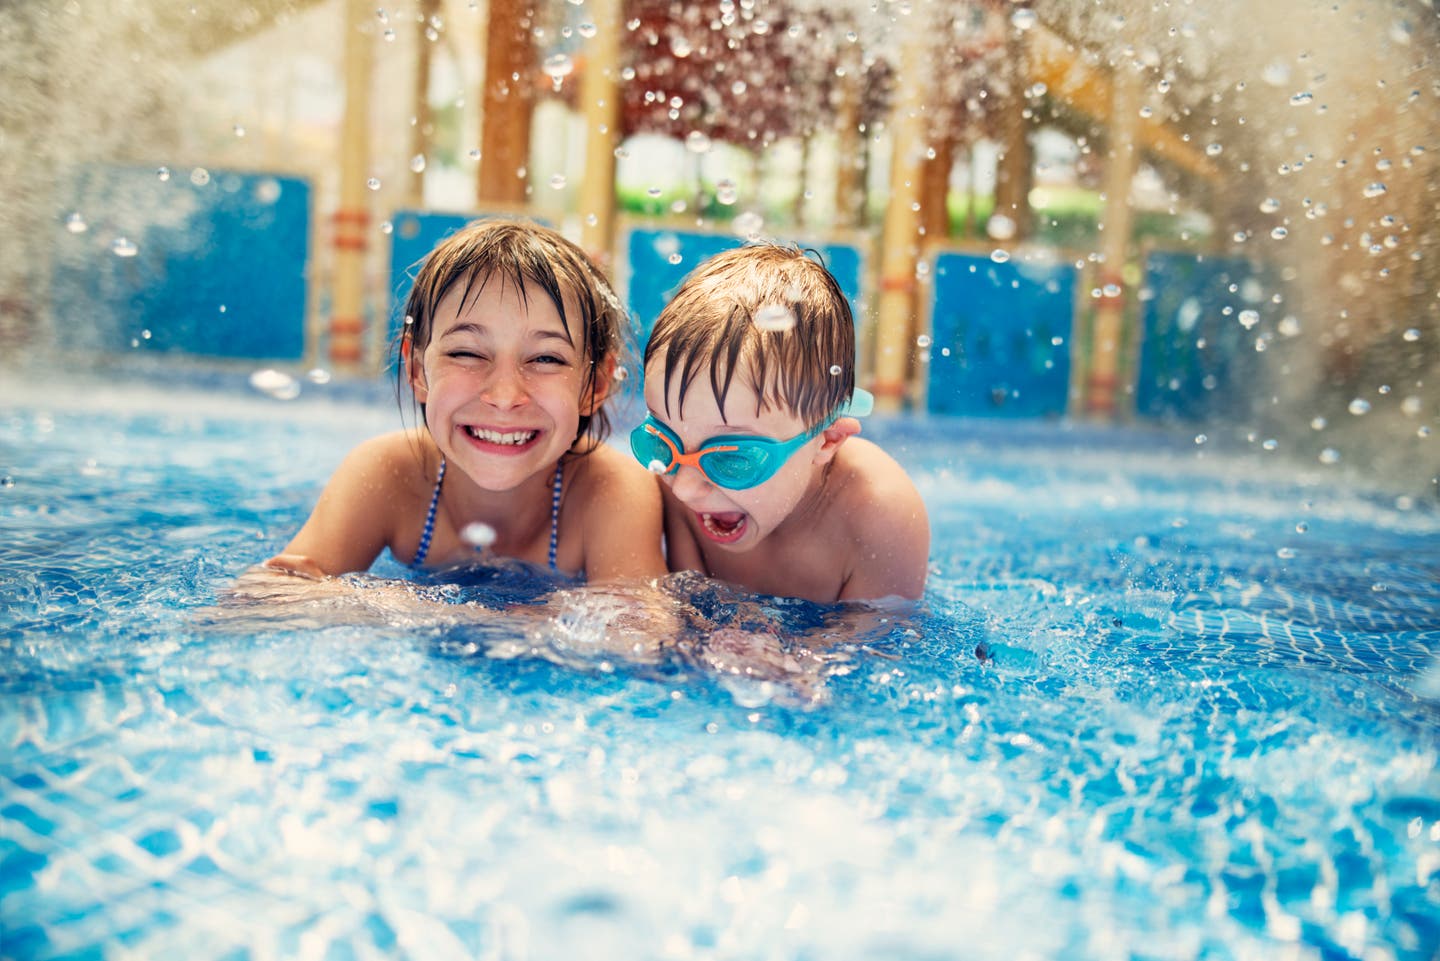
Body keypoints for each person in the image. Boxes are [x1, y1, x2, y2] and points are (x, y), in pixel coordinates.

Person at [265, 218, 666, 584]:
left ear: (594, 385)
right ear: (418, 371)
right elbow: (272, 594)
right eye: (467, 354)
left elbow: (639, 634)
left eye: (546, 358)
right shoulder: (389, 475)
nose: (505, 396)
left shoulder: (610, 492)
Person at [632, 243, 929, 603]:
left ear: (827, 438)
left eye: (731, 458)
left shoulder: (879, 516)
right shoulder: (674, 474)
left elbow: (875, 649)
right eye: (661, 440)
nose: (684, 490)